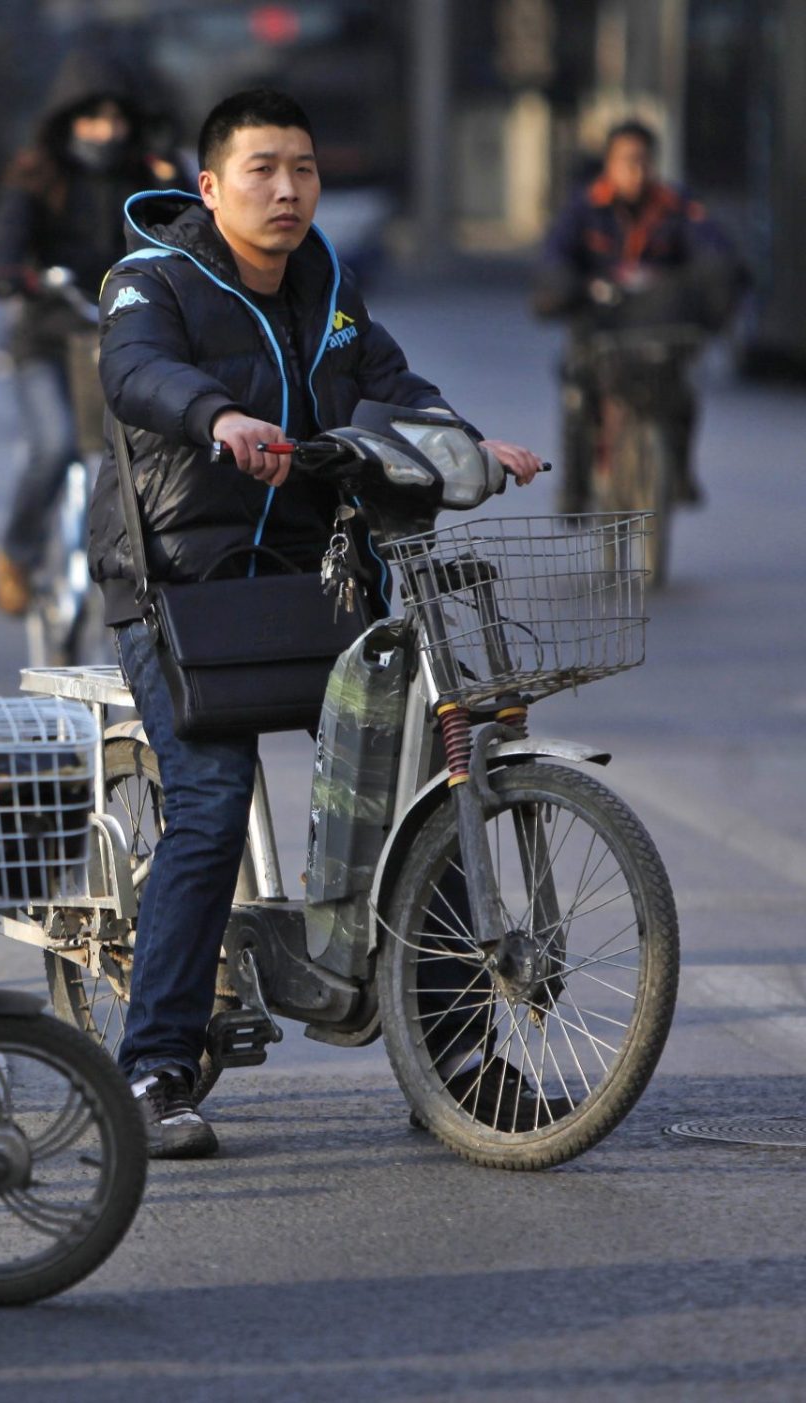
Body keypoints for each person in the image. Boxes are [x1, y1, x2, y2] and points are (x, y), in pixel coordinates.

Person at [90, 88, 544, 1159]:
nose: (288, 188)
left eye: (303, 166)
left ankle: (458, 1052)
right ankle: (152, 1068)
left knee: (417, 794)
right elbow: (133, 374)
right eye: (262, 169)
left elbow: (392, 386)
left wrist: (476, 444)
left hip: (313, 578)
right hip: (177, 582)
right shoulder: (151, 281)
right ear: (210, 186)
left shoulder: (327, 289)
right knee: (208, 801)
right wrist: (219, 415)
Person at [0, 49, 157, 617]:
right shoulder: (33, 177)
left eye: (115, 119)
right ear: (65, 122)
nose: (104, 132)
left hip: (124, 340)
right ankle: (18, 554)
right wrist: (12, 272)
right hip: (47, 342)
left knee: (150, 456)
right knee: (53, 447)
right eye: (90, 119)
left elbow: (184, 230)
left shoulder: (149, 176)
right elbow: (1, 244)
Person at [533, 119, 744, 513]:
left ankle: (677, 474)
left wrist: (718, 284)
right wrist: (561, 287)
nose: (636, 169)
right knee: (578, 396)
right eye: (627, 160)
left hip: (659, 333)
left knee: (682, 396)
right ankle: (576, 489)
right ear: (609, 164)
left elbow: (713, 249)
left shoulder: (678, 207)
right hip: (600, 332)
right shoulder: (584, 208)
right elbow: (555, 256)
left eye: (644, 160)